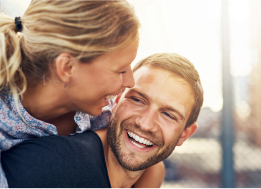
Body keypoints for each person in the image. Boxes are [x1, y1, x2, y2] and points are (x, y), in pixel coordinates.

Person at [0, 0, 153, 187]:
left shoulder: (102, 112)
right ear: (66, 67)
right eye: (120, 70)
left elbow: (153, 165)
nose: (130, 82)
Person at [2, 53, 204, 188]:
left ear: (184, 134)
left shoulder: (151, 171)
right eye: (137, 99)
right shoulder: (50, 165)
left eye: (168, 114)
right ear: (116, 100)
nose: (145, 124)